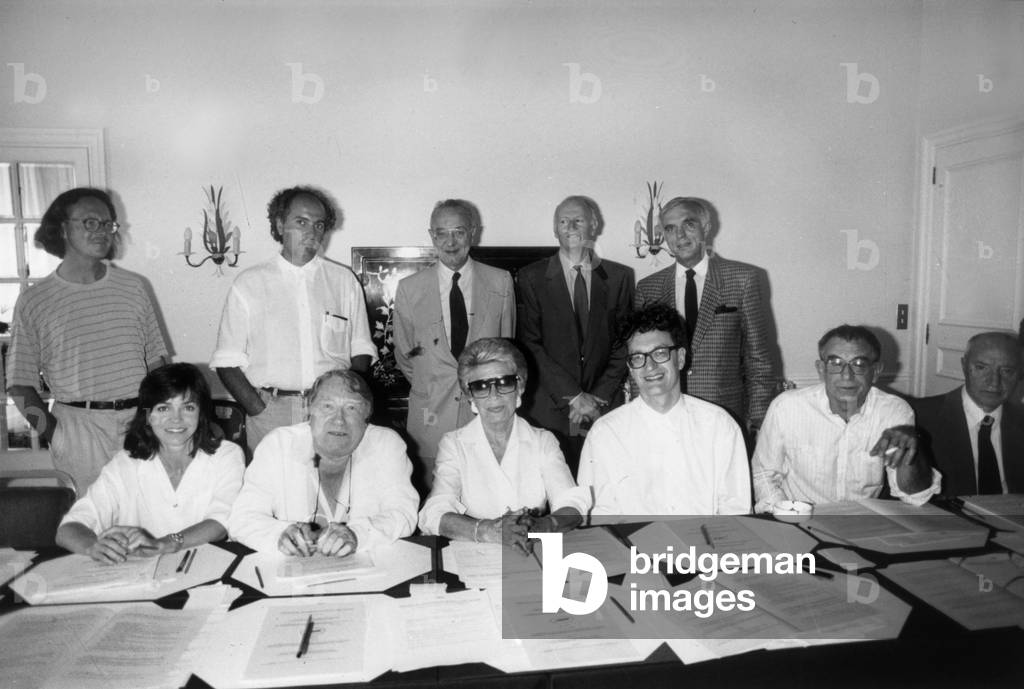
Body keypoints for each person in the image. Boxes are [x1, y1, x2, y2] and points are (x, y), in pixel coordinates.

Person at [6, 187, 168, 492]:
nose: (102, 231)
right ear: (63, 228)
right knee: (94, 529)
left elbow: (157, 365)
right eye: (90, 222)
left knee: (148, 518)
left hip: (139, 424)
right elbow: (19, 383)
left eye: (108, 223)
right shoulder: (35, 300)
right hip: (79, 431)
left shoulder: (133, 288)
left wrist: (154, 421)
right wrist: (55, 434)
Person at [210, 185, 377, 454]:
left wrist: (346, 396)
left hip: (333, 411)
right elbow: (226, 362)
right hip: (271, 413)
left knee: (332, 487)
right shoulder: (249, 284)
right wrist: (258, 410)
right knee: (276, 492)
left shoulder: (343, 281)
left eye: (319, 225)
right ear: (279, 224)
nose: (311, 233)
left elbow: (361, 348)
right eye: (301, 222)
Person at [55, 363, 244, 564]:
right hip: (141, 577)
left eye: (188, 407)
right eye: (163, 408)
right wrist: (93, 546)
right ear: (147, 416)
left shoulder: (227, 455)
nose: (176, 419)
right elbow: (68, 528)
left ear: (201, 413)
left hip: (208, 569)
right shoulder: (125, 463)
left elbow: (220, 522)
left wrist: (164, 544)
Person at [418, 338, 590, 552]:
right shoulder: (454, 444)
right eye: (480, 386)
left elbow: (571, 503)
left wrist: (543, 526)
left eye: (503, 383)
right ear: (469, 395)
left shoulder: (543, 441)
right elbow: (434, 512)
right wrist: (488, 530)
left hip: (531, 551)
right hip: (476, 553)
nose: (494, 395)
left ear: (520, 387)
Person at [577, 305, 751, 515]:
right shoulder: (605, 433)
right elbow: (598, 515)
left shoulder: (719, 426)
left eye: (660, 353)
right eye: (638, 357)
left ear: (680, 358)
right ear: (631, 369)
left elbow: (735, 511)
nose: (649, 366)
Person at [228, 369, 418, 556]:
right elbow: (242, 518)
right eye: (328, 406)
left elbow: (403, 513)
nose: (339, 420)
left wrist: (357, 535)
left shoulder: (386, 444)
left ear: (366, 416)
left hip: (369, 568)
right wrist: (278, 535)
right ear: (309, 410)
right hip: (294, 576)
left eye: (352, 408)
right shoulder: (278, 445)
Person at [393, 199, 515, 490]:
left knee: (489, 496)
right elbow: (405, 355)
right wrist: (434, 380)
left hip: (486, 414)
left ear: (473, 233)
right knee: (434, 507)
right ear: (431, 235)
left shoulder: (500, 282)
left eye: (459, 232)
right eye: (441, 233)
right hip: (431, 418)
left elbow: (508, 349)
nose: (450, 242)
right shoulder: (409, 289)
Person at [752, 325, 940, 512]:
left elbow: (914, 495)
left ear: (875, 371)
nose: (847, 375)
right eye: (835, 363)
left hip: (861, 523)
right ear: (821, 369)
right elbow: (763, 475)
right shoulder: (787, 408)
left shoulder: (893, 412)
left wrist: (914, 449)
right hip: (798, 519)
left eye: (859, 364)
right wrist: (787, 514)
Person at [634, 197, 776, 434]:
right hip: (665, 416)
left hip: (725, 415)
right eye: (670, 229)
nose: (679, 235)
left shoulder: (742, 279)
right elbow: (640, 360)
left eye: (688, 224)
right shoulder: (648, 288)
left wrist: (760, 418)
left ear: (706, 228)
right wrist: (640, 416)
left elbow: (758, 356)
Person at [516, 196, 634, 475]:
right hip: (551, 409)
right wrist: (573, 396)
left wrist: (597, 397)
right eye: (563, 221)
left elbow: (625, 342)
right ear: (555, 229)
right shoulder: (531, 277)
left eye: (578, 220)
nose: (570, 226)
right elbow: (530, 344)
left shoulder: (620, 277)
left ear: (594, 225)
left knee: (606, 484)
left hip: (604, 407)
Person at [912, 331, 1023, 496]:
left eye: (1006, 371)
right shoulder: (920, 418)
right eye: (981, 367)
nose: (994, 381)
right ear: (964, 365)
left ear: (1020, 373)